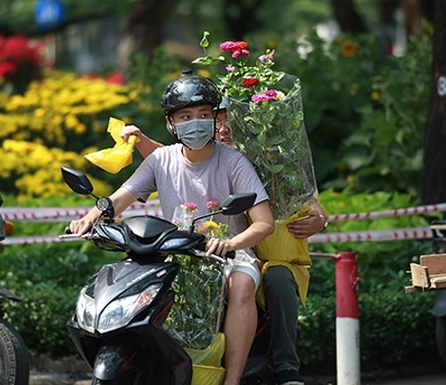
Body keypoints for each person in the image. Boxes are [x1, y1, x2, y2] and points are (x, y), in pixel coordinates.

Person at [70, 72, 274, 385]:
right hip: (174, 252)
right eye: (186, 116)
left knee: (242, 285)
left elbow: (264, 223)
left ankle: (232, 380)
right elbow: (119, 199)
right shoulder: (160, 160)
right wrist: (92, 217)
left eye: (204, 115)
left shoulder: (234, 162)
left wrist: (231, 245)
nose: (197, 122)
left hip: (227, 254)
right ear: (171, 123)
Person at [120, 96, 326, 385]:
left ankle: (285, 367)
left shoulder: (262, 157)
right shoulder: (200, 148)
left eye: (230, 121)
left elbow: (305, 197)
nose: (223, 127)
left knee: (277, 279)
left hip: (258, 247)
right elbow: (170, 159)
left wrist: (319, 217)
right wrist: (141, 141)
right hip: (194, 247)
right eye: (218, 119)